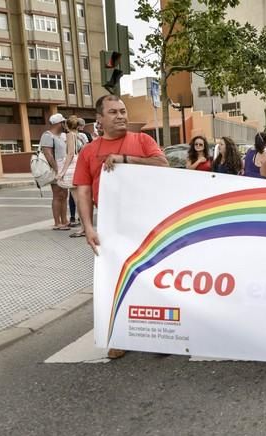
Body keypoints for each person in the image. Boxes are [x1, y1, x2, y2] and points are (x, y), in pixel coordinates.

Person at [73, 94, 168, 359]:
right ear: (100, 120)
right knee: (116, 281)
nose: (121, 116)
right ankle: (120, 335)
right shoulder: (88, 152)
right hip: (111, 226)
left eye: (123, 111)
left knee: (152, 278)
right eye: (113, 112)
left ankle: (160, 335)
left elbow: (163, 165)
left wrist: (126, 159)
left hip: (149, 223)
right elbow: (82, 191)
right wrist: (88, 227)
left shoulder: (143, 141)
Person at [39, 113, 70, 230]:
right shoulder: (48, 135)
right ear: (58, 123)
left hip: (62, 170)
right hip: (55, 170)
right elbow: (48, 154)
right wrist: (57, 170)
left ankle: (64, 220)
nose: (65, 124)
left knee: (64, 195)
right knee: (57, 195)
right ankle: (57, 223)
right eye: (63, 122)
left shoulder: (61, 136)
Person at [58, 115, 86, 238]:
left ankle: (83, 228)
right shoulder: (81, 136)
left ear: (67, 125)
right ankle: (85, 226)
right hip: (80, 166)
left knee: (77, 200)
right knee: (80, 199)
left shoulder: (70, 135)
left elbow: (70, 153)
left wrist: (62, 171)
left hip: (72, 168)